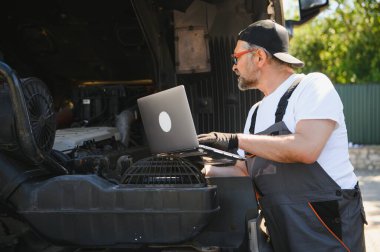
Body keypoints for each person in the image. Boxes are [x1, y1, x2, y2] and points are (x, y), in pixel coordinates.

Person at [198, 19, 367, 252]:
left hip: (326, 231)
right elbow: (244, 169)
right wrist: (198, 165)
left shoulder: (312, 86)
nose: (234, 66)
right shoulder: (255, 113)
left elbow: (306, 148)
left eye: (236, 57)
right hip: (283, 231)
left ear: (259, 57)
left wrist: (235, 139)